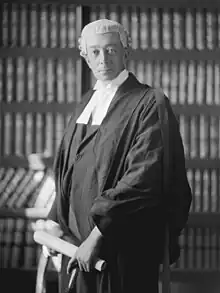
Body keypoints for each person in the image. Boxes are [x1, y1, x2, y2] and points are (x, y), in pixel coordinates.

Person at [44, 19, 192, 293]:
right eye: (96, 52)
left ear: (126, 52)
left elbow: (143, 180)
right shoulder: (86, 102)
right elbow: (68, 168)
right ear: (85, 57)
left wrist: (96, 237)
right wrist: (56, 222)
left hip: (122, 247)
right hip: (78, 244)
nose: (104, 59)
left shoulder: (149, 102)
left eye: (111, 50)